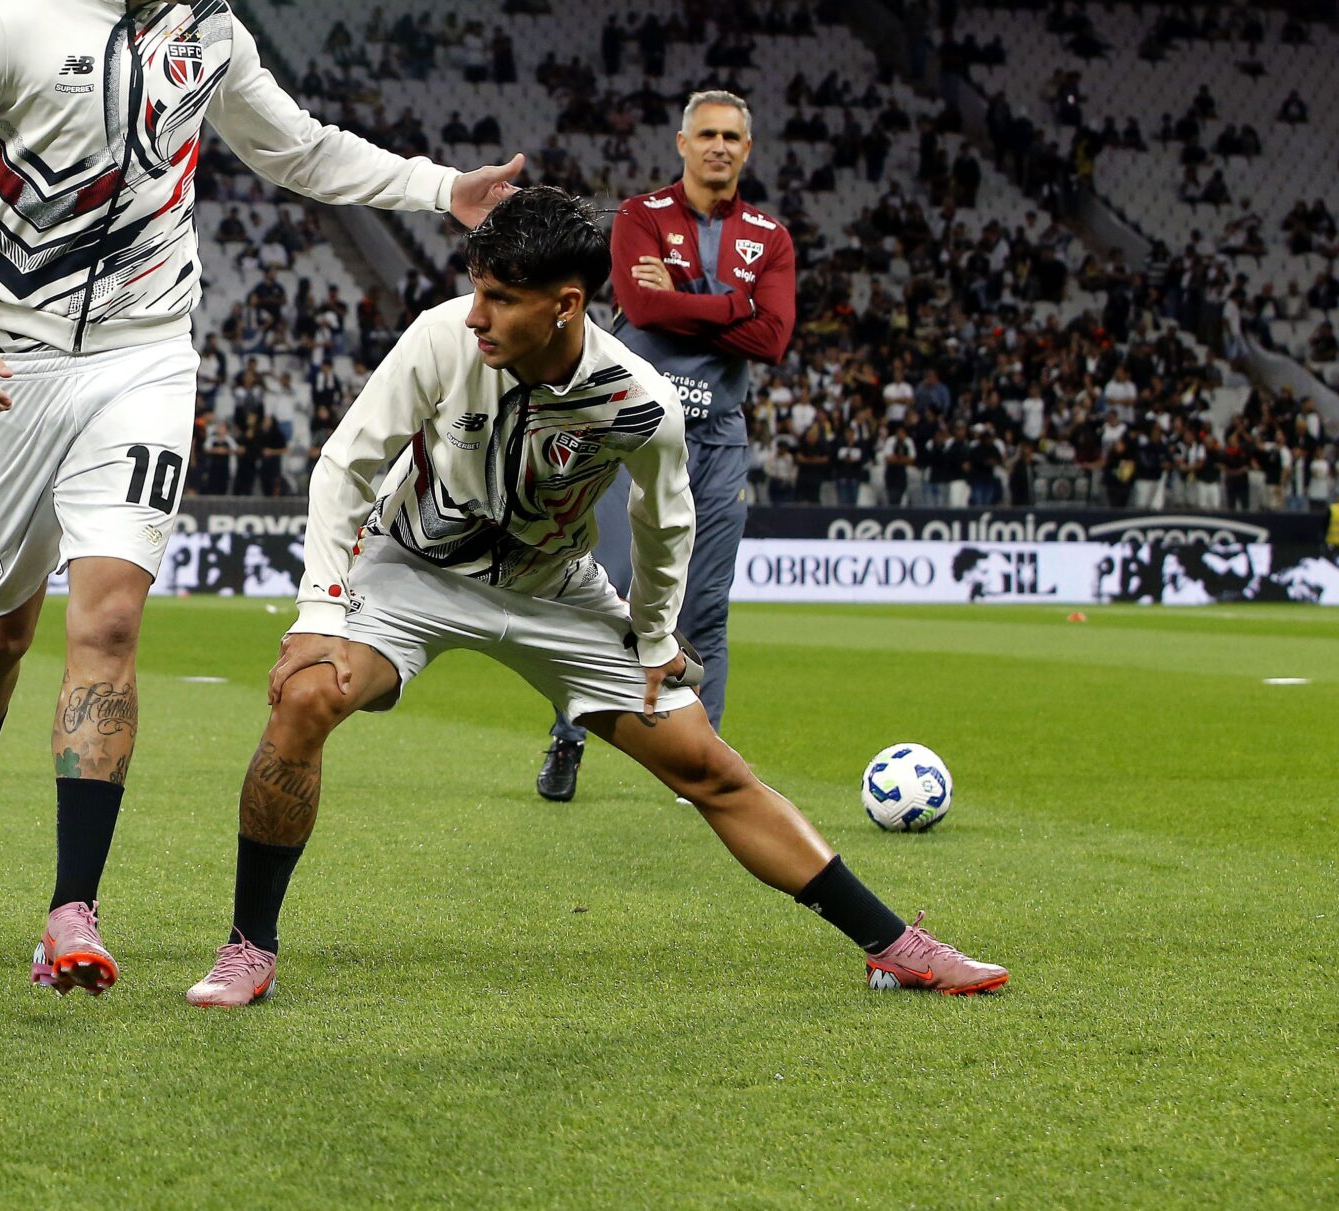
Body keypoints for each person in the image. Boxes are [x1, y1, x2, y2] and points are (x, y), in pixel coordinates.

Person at [0, 0, 521, 991]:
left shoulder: (209, 36)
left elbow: (298, 150)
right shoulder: (5, 20)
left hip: (146, 358)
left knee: (106, 626)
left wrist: (436, 188)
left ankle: (72, 908)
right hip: (4, 361)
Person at [182, 191, 1006, 1005]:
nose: (477, 315)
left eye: (500, 298)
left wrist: (653, 638)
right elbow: (347, 465)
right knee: (305, 694)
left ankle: (896, 945)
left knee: (706, 766)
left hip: (557, 591)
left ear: (566, 304)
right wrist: (320, 616)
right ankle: (249, 947)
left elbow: (665, 521)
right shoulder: (440, 337)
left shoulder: (636, 399)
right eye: (477, 289)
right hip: (411, 570)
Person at [541, 90, 795, 804]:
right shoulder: (638, 218)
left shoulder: (769, 236)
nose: (719, 145)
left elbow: (773, 338)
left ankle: (700, 767)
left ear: (748, 148)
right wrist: (733, 305)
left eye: (732, 136)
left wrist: (687, 293)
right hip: (631, 429)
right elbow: (643, 307)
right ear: (681, 142)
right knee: (608, 594)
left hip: (717, 435)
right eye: (706, 133)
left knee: (705, 605)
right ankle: (569, 734)